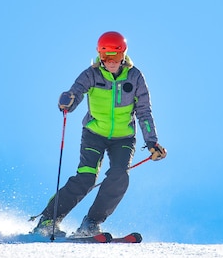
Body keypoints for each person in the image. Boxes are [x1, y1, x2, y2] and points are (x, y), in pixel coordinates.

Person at [31, 31, 167, 238]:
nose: (111, 62)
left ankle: (91, 224)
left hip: (124, 137)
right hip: (94, 133)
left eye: (115, 57)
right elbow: (76, 92)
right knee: (86, 178)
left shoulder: (135, 76)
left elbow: (144, 112)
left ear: (123, 55)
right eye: (106, 57)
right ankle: (48, 220)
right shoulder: (91, 74)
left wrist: (152, 142)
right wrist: (68, 102)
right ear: (100, 56)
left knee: (120, 176)